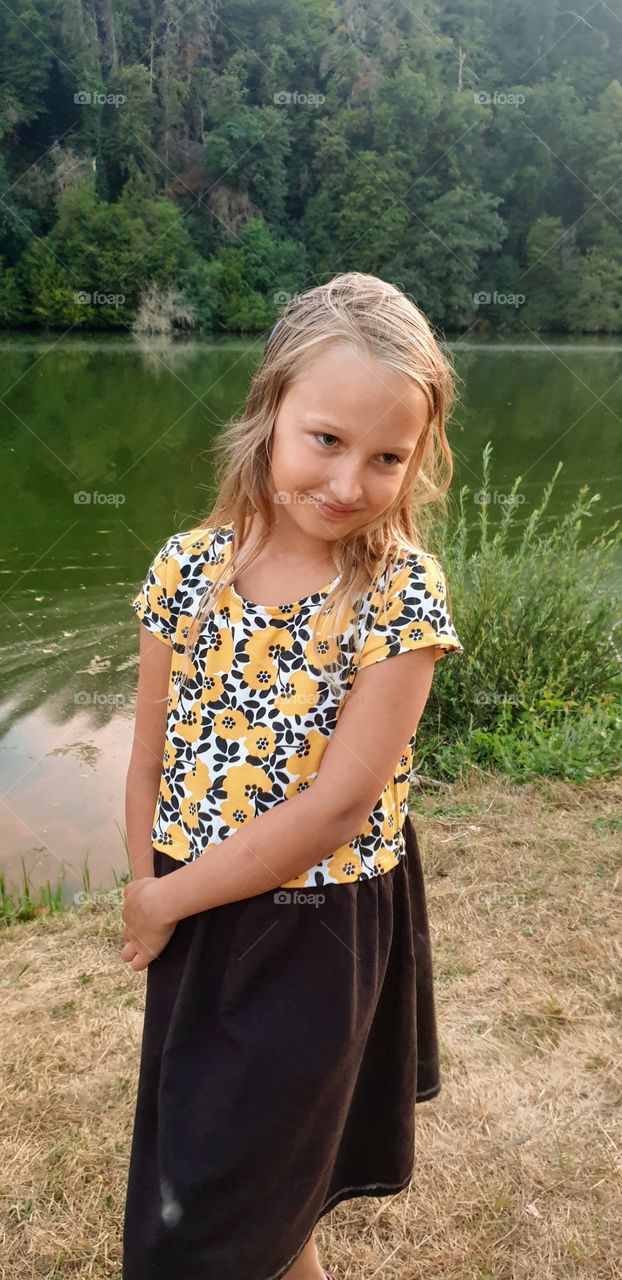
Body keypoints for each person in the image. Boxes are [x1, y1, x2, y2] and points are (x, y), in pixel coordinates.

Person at [120, 271, 464, 1280]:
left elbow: (337, 806)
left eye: (387, 455)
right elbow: (147, 756)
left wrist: (159, 896)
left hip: (319, 931)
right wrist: (151, 887)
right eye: (325, 439)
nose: (350, 482)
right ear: (270, 410)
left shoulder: (399, 595)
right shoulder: (185, 568)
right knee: (255, 1186)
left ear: (418, 457)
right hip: (194, 914)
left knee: (218, 1205)